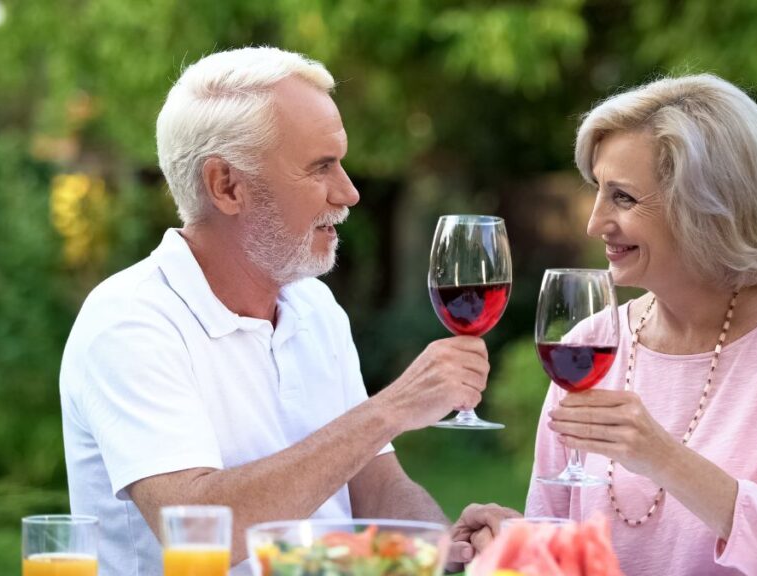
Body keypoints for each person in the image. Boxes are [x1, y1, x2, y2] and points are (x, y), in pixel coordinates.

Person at [59, 46, 489, 576]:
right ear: (227, 186)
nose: (349, 192)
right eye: (321, 167)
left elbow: (376, 485)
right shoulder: (131, 322)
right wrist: (392, 408)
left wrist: (446, 545)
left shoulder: (313, 304)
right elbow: (194, 527)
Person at [455, 74, 757, 574]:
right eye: (598, 191)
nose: (594, 223)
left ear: (708, 208)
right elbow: (564, 556)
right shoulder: (588, 345)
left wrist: (663, 458)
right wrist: (515, 543)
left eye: (623, 198)